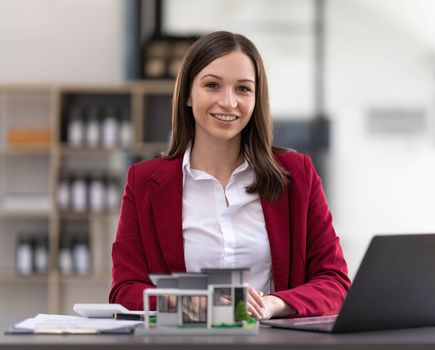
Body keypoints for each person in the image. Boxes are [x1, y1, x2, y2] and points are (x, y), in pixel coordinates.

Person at [109, 31, 350, 319]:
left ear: (256, 98)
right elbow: (125, 290)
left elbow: (334, 281)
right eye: (212, 85)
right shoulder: (144, 182)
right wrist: (207, 303)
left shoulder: (297, 175)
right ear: (187, 93)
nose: (228, 102)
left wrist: (272, 304)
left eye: (243, 89)